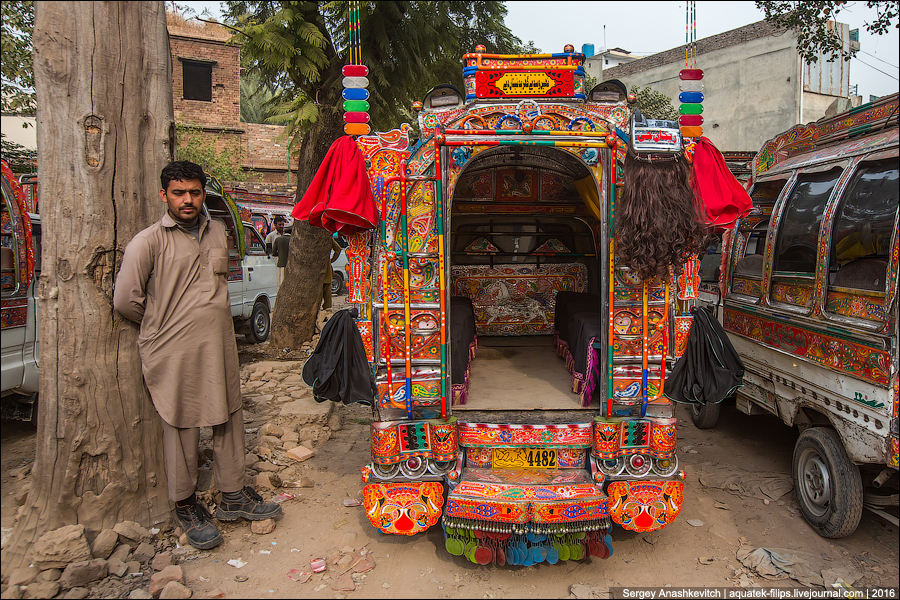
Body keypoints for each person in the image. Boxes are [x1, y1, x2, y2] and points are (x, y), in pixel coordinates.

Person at [113, 161, 281, 551]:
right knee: (182, 422)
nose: (187, 200)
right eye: (178, 193)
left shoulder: (217, 230)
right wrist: (162, 326)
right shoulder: (149, 242)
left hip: (219, 345)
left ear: (203, 193)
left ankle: (233, 496)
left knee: (228, 415)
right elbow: (126, 301)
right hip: (172, 350)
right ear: (164, 196)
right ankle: (185, 504)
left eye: (193, 192)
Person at [322, 236, 342, 311]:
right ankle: (327, 315)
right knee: (327, 298)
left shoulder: (313, 238)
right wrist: (331, 260)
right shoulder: (328, 238)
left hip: (316, 273)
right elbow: (338, 249)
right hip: (327, 271)